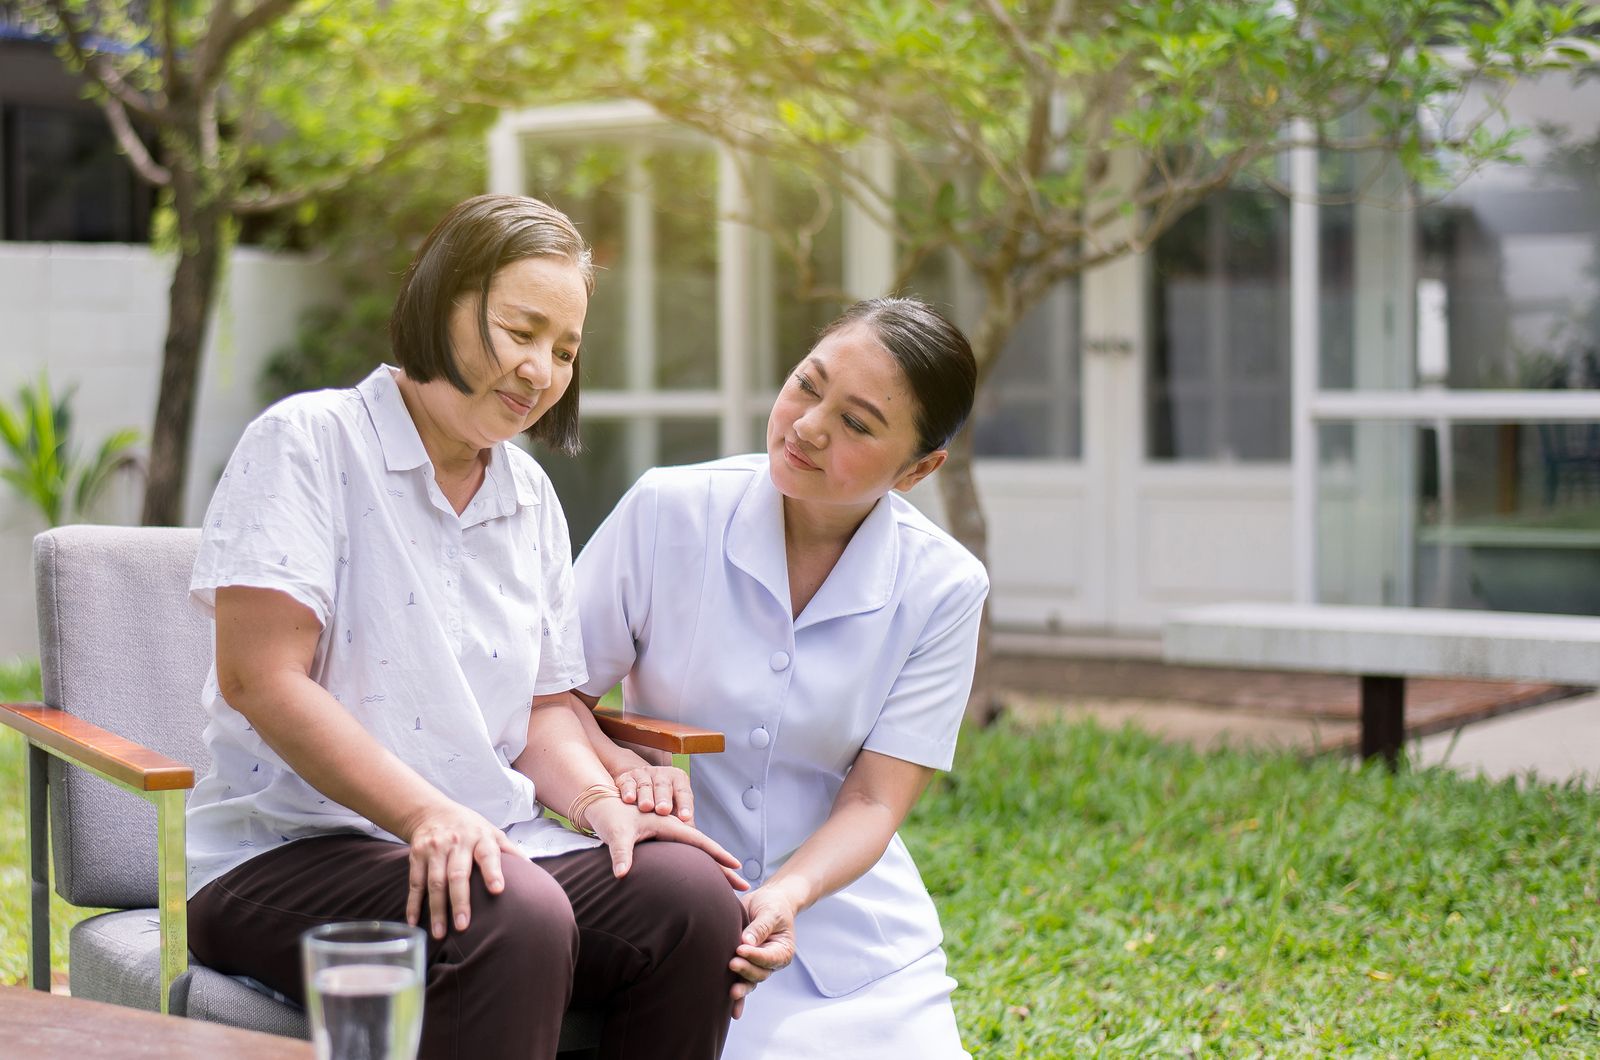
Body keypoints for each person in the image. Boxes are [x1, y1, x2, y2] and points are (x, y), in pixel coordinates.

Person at [183, 194, 747, 1060]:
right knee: (509, 915)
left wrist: (600, 804)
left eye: (564, 351)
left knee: (691, 900)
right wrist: (426, 816)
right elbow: (261, 679)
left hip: (490, 842)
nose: (541, 371)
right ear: (441, 297)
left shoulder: (529, 500)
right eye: (521, 331)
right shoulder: (309, 442)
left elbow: (545, 709)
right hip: (286, 852)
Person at [569, 297, 989, 1058]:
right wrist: (622, 767)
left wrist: (789, 894)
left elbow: (874, 798)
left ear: (920, 468)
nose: (807, 425)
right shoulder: (670, 510)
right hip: (674, 904)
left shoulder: (944, 586)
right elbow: (551, 698)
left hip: (846, 925)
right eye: (806, 384)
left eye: (858, 424)